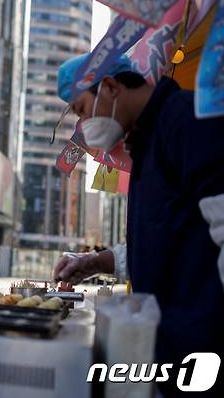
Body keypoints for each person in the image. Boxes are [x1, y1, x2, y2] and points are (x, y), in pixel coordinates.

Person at [53, 53, 224, 396]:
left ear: (110, 87)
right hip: (172, 354)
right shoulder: (145, 146)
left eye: (82, 110)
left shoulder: (186, 120)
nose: (84, 125)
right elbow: (167, 236)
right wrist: (95, 262)